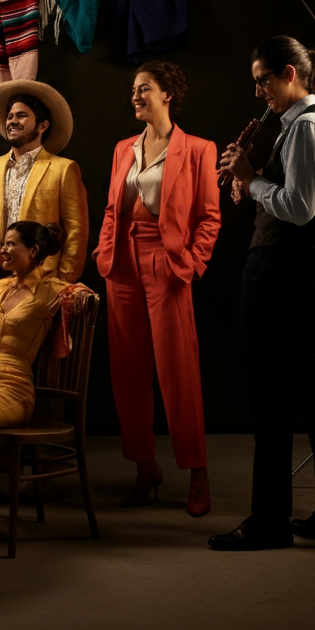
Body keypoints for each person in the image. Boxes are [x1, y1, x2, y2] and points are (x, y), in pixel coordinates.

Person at [208, 35, 315, 552]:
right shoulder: (303, 127)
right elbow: (292, 192)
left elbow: (299, 207)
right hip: (301, 271)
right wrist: (256, 178)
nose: (259, 92)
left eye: (264, 80)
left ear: (290, 74)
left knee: (272, 396)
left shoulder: (309, 127)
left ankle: (270, 522)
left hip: (283, 272)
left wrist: (251, 178)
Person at [93, 62, 221, 517]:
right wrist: (103, 252)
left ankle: (196, 469)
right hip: (121, 265)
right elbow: (112, 208)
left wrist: (191, 264)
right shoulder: (122, 148)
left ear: (168, 94)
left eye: (143, 88)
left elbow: (209, 216)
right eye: (133, 89)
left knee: (177, 373)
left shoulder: (200, 149)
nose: (134, 96)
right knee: (128, 374)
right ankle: (145, 469)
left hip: (167, 266)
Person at [0, 80, 88, 325]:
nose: (12, 121)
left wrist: (59, 284)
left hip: (40, 284)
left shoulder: (63, 169)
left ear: (43, 125)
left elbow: (76, 233)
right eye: (9, 116)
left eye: (21, 115)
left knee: (32, 360)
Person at [0, 221, 68, 428]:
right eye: (3, 244)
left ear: (34, 251)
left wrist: (80, 298)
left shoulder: (48, 290)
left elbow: (82, 294)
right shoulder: (2, 287)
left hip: (13, 390)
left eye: (11, 244)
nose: (3, 250)